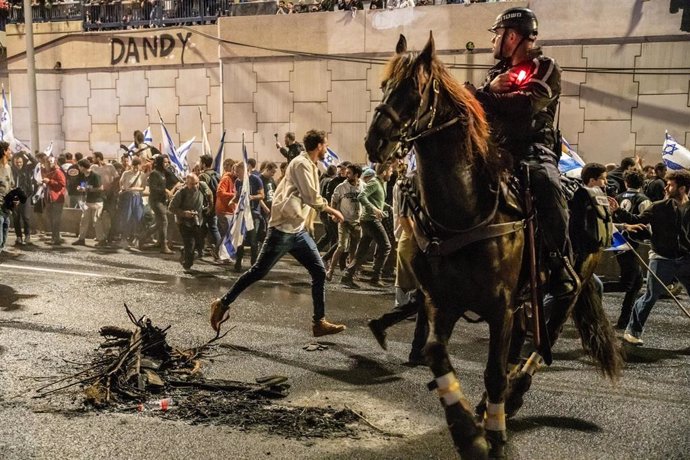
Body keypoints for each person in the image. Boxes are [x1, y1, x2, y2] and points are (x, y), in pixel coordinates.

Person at [466, 6, 576, 298]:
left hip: (533, 148)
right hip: (496, 149)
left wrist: (484, 95)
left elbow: (528, 105)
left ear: (512, 36)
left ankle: (559, 263)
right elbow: (477, 109)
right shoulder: (495, 74)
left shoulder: (545, 66)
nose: (493, 42)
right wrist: (485, 91)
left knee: (546, 183)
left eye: (497, 35)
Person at [210, 129, 347, 338]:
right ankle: (222, 303)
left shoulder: (309, 164)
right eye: (325, 145)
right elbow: (311, 197)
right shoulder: (301, 164)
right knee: (258, 271)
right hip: (283, 229)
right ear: (319, 145)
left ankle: (319, 322)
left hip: (297, 231)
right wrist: (332, 210)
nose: (326, 148)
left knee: (319, 271)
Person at [608, 169, 690, 346]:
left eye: (670, 185)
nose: (666, 188)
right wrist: (618, 212)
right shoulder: (658, 206)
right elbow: (637, 219)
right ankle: (632, 332)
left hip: (686, 259)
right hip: (661, 258)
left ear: (682, 188)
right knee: (650, 296)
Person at [368, 162, 428, 366]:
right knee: (426, 298)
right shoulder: (410, 180)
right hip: (414, 243)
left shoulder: (420, 178)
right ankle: (416, 351)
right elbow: (405, 219)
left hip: (417, 242)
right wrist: (421, 244)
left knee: (424, 299)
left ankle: (385, 326)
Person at [340, 163, 393, 288]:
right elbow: (361, 196)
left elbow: (377, 200)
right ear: (384, 171)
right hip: (370, 220)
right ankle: (376, 277)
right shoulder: (375, 182)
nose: (391, 173)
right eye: (390, 171)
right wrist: (374, 209)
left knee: (362, 250)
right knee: (386, 246)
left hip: (368, 220)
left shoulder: (381, 183)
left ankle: (347, 276)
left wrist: (388, 207)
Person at [614, 170, 652, 329]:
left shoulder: (617, 198)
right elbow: (646, 223)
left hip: (617, 241)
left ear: (625, 182)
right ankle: (596, 289)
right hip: (632, 243)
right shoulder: (644, 200)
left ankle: (624, 320)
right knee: (628, 283)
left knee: (636, 282)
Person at [326, 163, 363, 281]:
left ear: (356, 175)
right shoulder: (341, 187)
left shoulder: (363, 186)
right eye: (346, 172)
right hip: (344, 221)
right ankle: (330, 271)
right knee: (342, 246)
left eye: (349, 173)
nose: (346, 175)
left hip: (357, 222)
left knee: (354, 248)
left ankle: (350, 273)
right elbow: (334, 200)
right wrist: (334, 214)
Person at [232, 159, 264, 272]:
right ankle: (238, 262)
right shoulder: (237, 182)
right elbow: (237, 195)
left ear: (244, 170)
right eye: (235, 172)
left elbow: (262, 195)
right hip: (241, 213)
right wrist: (232, 201)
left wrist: (252, 197)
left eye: (238, 171)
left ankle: (254, 264)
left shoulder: (255, 179)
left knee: (253, 240)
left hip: (253, 213)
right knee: (240, 239)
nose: (236, 174)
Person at [169, 174, 206, 270]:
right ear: (187, 183)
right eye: (192, 184)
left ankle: (184, 251)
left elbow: (209, 196)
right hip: (184, 222)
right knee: (189, 243)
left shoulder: (202, 188)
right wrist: (184, 213)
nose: (195, 186)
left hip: (198, 221)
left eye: (196, 183)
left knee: (199, 245)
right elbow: (171, 208)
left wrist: (208, 207)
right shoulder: (181, 193)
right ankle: (187, 265)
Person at [141, 154, 174, 254]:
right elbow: (153, 188)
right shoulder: (154, 174)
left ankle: (142, 238)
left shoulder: (163, 173)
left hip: (162, 201)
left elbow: (174, 179)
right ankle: (163, 246)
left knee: (159, 223)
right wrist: (165, 191)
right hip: (156, 201)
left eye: (167, 162)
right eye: (164, 162)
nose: (166, 164)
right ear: (159, 163)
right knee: (164, 221)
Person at [72, 159, 106, 247]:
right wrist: (80, 188)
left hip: (96, 201)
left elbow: (100, 188)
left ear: (83, 167)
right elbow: (83, 185)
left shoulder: (95, 176)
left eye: (79, 166)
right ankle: (81, 239)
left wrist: (88, 189)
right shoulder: (83, 176)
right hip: (87, 201)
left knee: (96, 220)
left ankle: (102, 239)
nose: (78, 168)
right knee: (84, 220)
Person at [10, 150, 37, 245]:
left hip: (25, 196)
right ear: (14, 162)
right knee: (16, 217)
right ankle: (18, 237)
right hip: (13, 197)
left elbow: (35, 162)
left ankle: (27, 235)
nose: (19, 164)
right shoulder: (11, 170)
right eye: (17, 162)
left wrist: (27, 154)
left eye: (20, 162)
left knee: (26, 217)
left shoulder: (27, 169)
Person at [118, 156, 146, 247]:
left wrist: (135, 188)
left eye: (137, 166)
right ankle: (124, 238)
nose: (136, 168)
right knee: (127, 217)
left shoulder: (142, 175)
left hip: (137, 196)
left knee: (138, 217)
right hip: (127, 197)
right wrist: (123, 188)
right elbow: (121, 183)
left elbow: (143, 187)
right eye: (134, 166)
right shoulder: (126, 173)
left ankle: (136, 238)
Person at [198, 154, 222, 259]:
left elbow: (202, 193)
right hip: (215, 205)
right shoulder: (217, 175)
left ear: (203, 164)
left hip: (206, 206)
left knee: (206, 228)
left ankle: (219, 251)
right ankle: (201, 250)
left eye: (200, 162)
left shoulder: (203, 176)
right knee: (209, 228)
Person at [40, 153, 67, 245]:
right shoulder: (47, 172)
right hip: (49, 199)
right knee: (52, 219)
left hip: (56, 200)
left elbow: (62, 185)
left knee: (56, 220)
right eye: (47, 162)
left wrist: (49, 181)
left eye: (50, 162)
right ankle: (55, 237)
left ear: (54, 162)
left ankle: (56, 238)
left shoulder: (58, 172)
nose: (49, 164)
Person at [216, 158, 237, 239]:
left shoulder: (233, 179)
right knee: (226, 237)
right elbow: (220, 192)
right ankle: (218, 251)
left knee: (227, 236)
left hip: (229, 210)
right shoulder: (226, 178)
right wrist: (235, 195)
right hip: (224, 211)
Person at [0, 142, 14, 253]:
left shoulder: (9, 168)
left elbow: (11, 185)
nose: (11, 152)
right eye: (9, 149)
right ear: (4, 151)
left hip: (6, 207)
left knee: (6, 226)